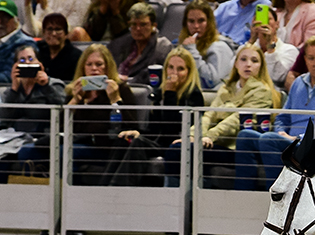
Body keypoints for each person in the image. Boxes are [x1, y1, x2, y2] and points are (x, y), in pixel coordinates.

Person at [235, 35, 315, 190]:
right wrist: (280, 133)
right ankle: (244, 193)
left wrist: (299, 138)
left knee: (268, 140)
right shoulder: (299, 82)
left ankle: (275, 196)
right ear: (305, 59)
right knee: (245, 135)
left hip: (314, 147)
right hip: (288, 142)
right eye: (311, 58)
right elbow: (283, 117)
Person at [166, 42, 278, 183]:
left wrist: (210, 137)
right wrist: (193, 135)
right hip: (213, 143)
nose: (248, 64)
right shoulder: (226, 88)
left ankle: (178, 201)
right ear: (236, 63)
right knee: (177, 148)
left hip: (235, 148)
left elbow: (236, 121)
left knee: (180, 152)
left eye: (254, 61)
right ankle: (185, 201)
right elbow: (209, 115)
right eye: (243, 59)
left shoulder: (263, 91)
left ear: (261, 66)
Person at [108, 46, 205, 185]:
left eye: (180, 69)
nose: (174, 73)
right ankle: (103, 187)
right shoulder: (159, 93)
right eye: (170, 67)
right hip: (158, 142)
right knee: (125, 139)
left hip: (175, 145)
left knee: (139, 143)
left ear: (189, 72)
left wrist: (171, 94)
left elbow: (172, 128)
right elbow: (154, 130)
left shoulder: (194, 96)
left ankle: (118, 190)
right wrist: (138, 132)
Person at [64, 43, 137, 183]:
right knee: (29, 151)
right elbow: (60, 126)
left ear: (107, 67)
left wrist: (115, 99)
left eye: (99, 64)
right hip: (76, 142)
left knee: (65, 153)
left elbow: (132, 125)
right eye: (89, 64)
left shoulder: (121, 89)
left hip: (106, 147)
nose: (94, 69)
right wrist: (75, 100)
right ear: (83, 68)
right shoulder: (75, 90)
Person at [1, 43, 65, 181]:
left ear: (39, 63)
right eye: (22, 60)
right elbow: (3, 119)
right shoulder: (12, 90)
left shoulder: (53, 84)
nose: (27, 63)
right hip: (15, 138)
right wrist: (14, 88)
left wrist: (46, 86)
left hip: (43, 137)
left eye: (31, 59)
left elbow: (63, 109)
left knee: (26, 152)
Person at [108, 2, 171, 85]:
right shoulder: (119, 44)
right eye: (134, 24)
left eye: (143, 24)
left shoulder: (162, 47)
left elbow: (154, 76)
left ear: (153, 26)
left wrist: (127, 81)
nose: (138, 29)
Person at [179, 0, 234, 90]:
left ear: (209, 22)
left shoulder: (220, 47)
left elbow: (212, 81)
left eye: (201, 21)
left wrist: (192, 52)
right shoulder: (185, 44)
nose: (196, 26)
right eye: (191, 21)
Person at [250, 5, 298, 87]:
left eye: (268, 19)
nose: (264, 23)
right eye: (259, 20)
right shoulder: (248, 47)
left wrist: (270, 46)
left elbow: (277, 77)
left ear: (277, 24)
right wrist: (251, 41)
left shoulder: (290, 50)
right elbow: (233, 70)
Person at [35, 12, 80, 82]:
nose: (53, 34)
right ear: (43, 33)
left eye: (58, 29)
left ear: (66, 33)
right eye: (49, 29)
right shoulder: (36, 50)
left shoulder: (77, 56)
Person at [0, 0, 36, 84]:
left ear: (17, 20)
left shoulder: (25, 44)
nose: (0, 22)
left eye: (5, 18)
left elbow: (12, 75)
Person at [19, 0, 88, 37]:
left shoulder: (82, 1)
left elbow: (67, 31)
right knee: (24, 30)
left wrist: (45, 8)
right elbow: (35, 31)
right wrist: (27, 6)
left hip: (67, 45)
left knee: (78, 31)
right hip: (46, 40)